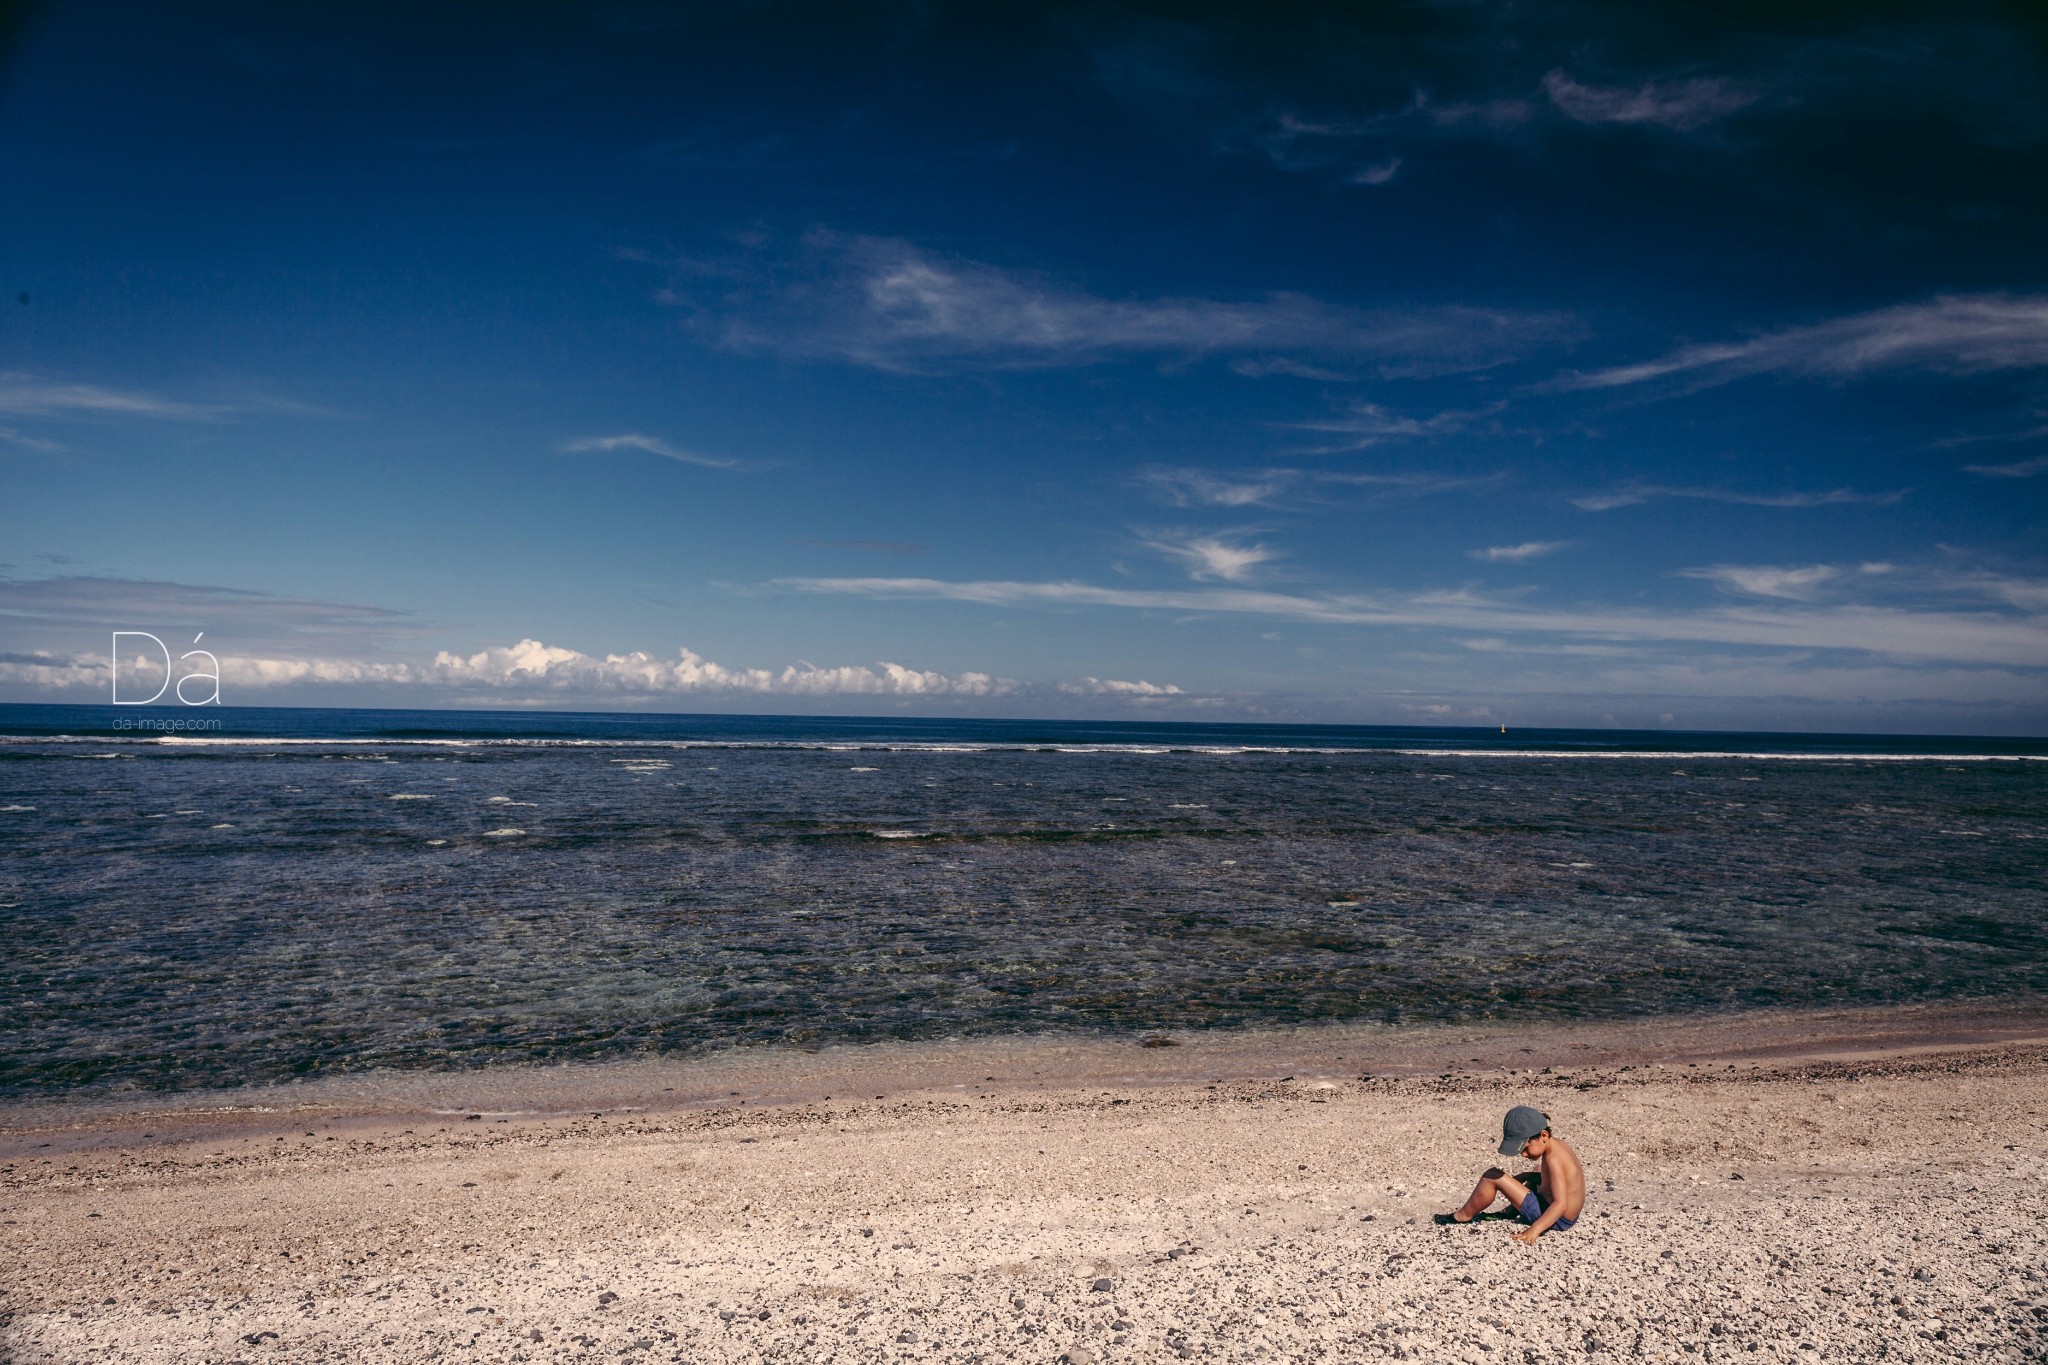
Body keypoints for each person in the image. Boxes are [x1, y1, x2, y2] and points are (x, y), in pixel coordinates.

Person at [1441, 1105, 1584, 1243]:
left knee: (1492, 1176)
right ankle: (1510, 1212)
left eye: (1526, 1148)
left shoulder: (1554, 1159)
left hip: (1557, 1219)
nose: (1523, 1154)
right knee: (1537, 1168)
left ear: (1543, 1135)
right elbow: (1559, 1182)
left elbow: (1560, 1203)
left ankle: (1462, 1216)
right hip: (1568, 1216)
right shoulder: (1558, 1147)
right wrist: (1525, 1176)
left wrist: (1535, 1229)